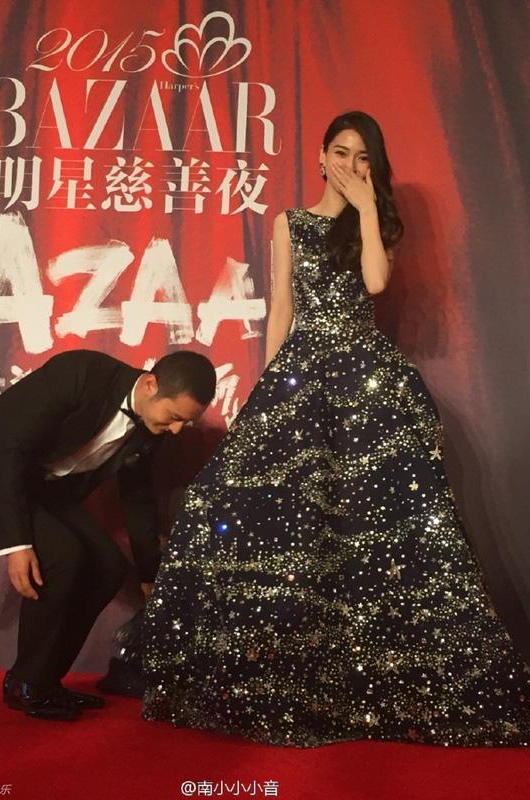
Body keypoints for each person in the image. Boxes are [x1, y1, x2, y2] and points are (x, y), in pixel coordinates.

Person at [140, 111, 530, 747]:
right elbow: (282, 310)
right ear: (321, 157)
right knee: (281, 526)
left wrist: (368, 208)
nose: (351, 164)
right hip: (302, 382)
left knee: (375, 531)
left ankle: (380, 682)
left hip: (365, 388)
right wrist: (268, 395)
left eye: (364, 156)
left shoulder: (376, 223)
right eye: (341, 152)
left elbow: (374, 281)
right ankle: (283, 677)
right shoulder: (289, 223)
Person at [0, 348, 216, 721]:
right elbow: (8, 448)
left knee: (109, 566)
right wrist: (16, 543)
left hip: (37, 490)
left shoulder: (152, 426)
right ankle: (27, 683)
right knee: (63, 555)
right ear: (150, 385)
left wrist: (149, 572)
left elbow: (137, 496)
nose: (177, 430)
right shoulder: (79, 373)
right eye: (175, 417)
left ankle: (45, 681)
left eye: (185, 423)